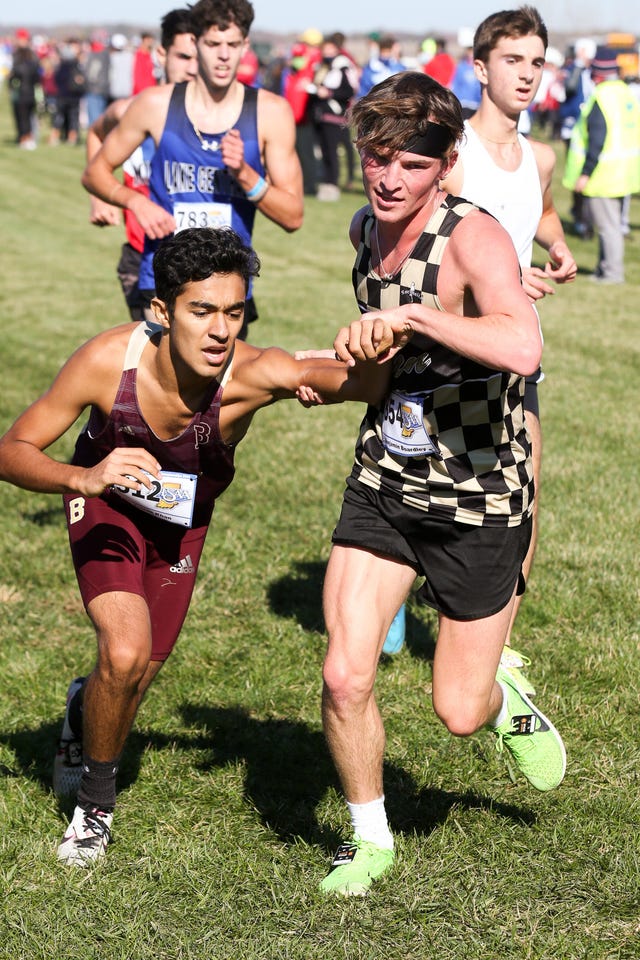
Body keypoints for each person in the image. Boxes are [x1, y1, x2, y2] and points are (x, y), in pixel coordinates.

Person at [0, 226, 389, 868]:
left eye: (234, 312)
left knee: (134, 679)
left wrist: (373, 347)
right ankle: (95, 807)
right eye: (201, 311)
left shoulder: (252, 375)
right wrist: (85, 477)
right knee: (123, 654)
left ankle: (80, 710)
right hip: (103, 506)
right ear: (161, 311)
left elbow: (362, 386)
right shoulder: (108, 361)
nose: (219, 331)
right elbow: (12, 449)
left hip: (181, 528)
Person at [316, 71, 566, 897]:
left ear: (445, 164)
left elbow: (523, 348)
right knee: (345, 674)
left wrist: (418, 315)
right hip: (387, 476)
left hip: (479, 490)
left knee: (457, 711)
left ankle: (506, 706)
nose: (389, 179)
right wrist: (340, 373)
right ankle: (371, 840)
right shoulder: (365, 227)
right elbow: (391, 372)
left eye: (410, 166)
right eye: (377, 158)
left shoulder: (474, 239)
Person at [386, 6, 578, 659]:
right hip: (442, 359)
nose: (526, 75)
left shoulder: (541, 155)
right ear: (479, 67)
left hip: (513, 359)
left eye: (535, 62)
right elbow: (412, 239)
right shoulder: (454, 154)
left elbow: (541, 207)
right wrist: (498, 275)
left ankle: (497, 647)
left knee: (523, 497)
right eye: (511, 60)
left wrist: (555, 246)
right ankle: (386, 593)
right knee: (414, 483)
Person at [82, 0, 303, 340]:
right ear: (196, 42)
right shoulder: (155, 105)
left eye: (233, 45)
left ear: (245, 46)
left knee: (221, 394)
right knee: (160, 391)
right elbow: (95, 172)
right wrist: (135, 203)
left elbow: (293, 216)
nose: (224, 55)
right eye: (213, 44)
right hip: (162, 282)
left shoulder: (270, 113)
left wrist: (246, 175)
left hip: (227, 291)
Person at [86, 9, 199, 321]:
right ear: (161, 54)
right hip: (144, 256)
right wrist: (99, 199)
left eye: (198, 58)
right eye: (183, 57)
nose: (193, 69)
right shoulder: (130, 112)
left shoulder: (216, 119)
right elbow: (95, 134)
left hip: (204, 258)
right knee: (151, 362)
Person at [562, 45, 640, 284]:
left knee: (608, 228)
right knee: (614, 225)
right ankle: (604, 268)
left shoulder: (601, 97)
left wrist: (585, 173)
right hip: (624, 172)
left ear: (598, 73)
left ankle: (612, 273)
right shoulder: (626, 93)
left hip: (603, 174)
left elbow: (596, 139)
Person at [310, 33, 358, 201]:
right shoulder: (322, 66)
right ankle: (326, 182)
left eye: (330, 49)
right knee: (324, 152)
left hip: (335, 117)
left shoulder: (342, 66)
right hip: (322, 116)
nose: (327, 52)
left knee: (333, 152)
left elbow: (348, 91)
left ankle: (333, 185)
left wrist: (329, 93)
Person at [8, 28, 41, 150]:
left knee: (25, 117)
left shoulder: (27, 56)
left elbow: (20, 74)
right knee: (23, 116)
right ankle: (24, 137)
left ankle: (27, 138)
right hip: (24, 91)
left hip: (25, 92)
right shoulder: (19, 55)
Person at [357, 34, 405, 100]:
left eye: (388, 51)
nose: (385, 54)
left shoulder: (399, 67)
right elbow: (363, 91)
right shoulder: (370, 68)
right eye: (383, 51)